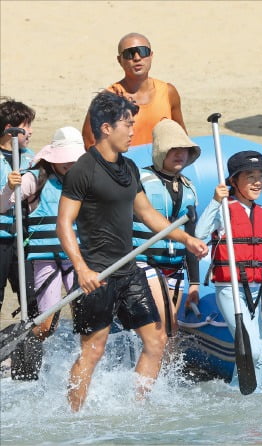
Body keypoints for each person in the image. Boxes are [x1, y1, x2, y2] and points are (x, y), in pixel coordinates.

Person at [56, 91, 208, 412]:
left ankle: (136, 411)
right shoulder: (84, 170)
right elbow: (64, 224)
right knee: (93, 349)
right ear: (107, 128)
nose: (132, 131)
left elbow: (148, 214)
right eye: (127, 124)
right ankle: (73, 417)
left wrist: (185, 239)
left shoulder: (129, 168)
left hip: (128, 271)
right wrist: (81, 270)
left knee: (156, 342)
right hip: (96, 274)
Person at [1, 127, 86, 380]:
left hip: (76, 257)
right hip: (44, 258)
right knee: (47, 324)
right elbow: (3, 206)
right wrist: (8, 188)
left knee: (87, 318)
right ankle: (17, 346)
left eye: (75, 159)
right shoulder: (33, 179)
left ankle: (82, 369)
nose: (71, 164)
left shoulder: (83, 179)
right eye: (66, 159)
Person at [195, 150, 262, 392]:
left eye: (261, 176)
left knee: (257, 355)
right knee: (250, 350)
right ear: (234, 181)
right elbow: (199, 235)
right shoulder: (223, 209)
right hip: (230, 290)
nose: (257, 182)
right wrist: (214, 200)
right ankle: (238, 393)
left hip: (258, 290)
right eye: (250, 176)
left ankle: (250, 398)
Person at [132, 119, 201, 339]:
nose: (180, 154)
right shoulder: (139, 181)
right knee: (165, 323)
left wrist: (195, 283)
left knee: (171, 332)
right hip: (144, 263)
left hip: (175, 268)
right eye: (174, 149)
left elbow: (191, 237)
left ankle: (166, 374)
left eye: (184, 150)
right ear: (161, 151)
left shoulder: (188, 187)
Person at [82, 32, 186, 149]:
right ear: (119, 60)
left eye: (143, 51)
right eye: (129, 53)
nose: (137, 58)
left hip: (162, 166)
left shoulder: (168, 92)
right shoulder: (108, 98)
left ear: (151, 55)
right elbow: (89, 142)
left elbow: (182, 136)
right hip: (124, 166)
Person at [0, 98, 36, 309]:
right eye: (26, 126)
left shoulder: (32, 159)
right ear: (10, 129)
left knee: (34, 301)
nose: (30, 132)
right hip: (1, 239)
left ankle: (26, 341)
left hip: (24, 239)